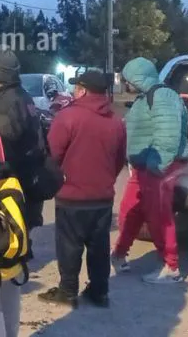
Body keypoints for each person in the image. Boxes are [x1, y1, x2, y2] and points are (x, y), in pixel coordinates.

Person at [38, 70, 126, 308]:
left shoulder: (68, 117)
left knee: (69, 246)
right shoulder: (115, 121)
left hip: (72, 195)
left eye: (78, 87)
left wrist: (54, 182)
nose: (75, 90)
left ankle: (68, 291)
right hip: (103, 196)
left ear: (84, 90)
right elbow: (119, 159)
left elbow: (52, 156)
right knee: (99, 246)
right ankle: (99, 291)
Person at [0, 48, 43, 337]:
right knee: (6, 283)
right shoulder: (19, 98)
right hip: (21, 204)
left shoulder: (2, 112)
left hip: (4, 209)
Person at [112, 57, 188, 284]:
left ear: (137, 77)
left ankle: (171, 266)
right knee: (129, 210)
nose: (126, 84)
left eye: (128, 79)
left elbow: (168, 133)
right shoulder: (144, 97)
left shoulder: (162, 95)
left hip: (158, 165)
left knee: (158, 215)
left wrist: (157, 165)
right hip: (143, 165)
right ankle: (118, 255)